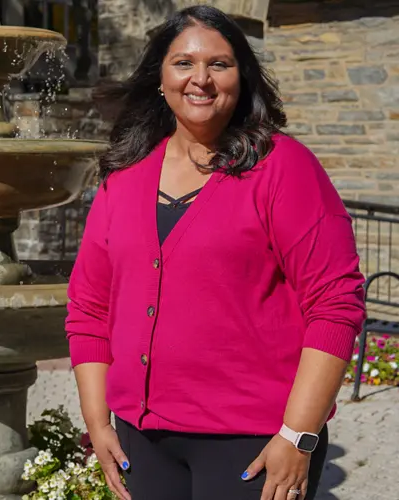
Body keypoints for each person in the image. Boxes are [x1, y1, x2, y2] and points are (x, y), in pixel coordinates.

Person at [66, 5, 366, 500]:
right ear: (160, 78)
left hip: (253, 443)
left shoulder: (283, 169)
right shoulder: (123, 180)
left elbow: (336, 303)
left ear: (241, 78)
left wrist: (298, 434)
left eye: (219, 64)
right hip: (142, 441)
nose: (199, 79)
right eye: (183, 63)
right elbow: (89, 310)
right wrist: (98, 423)